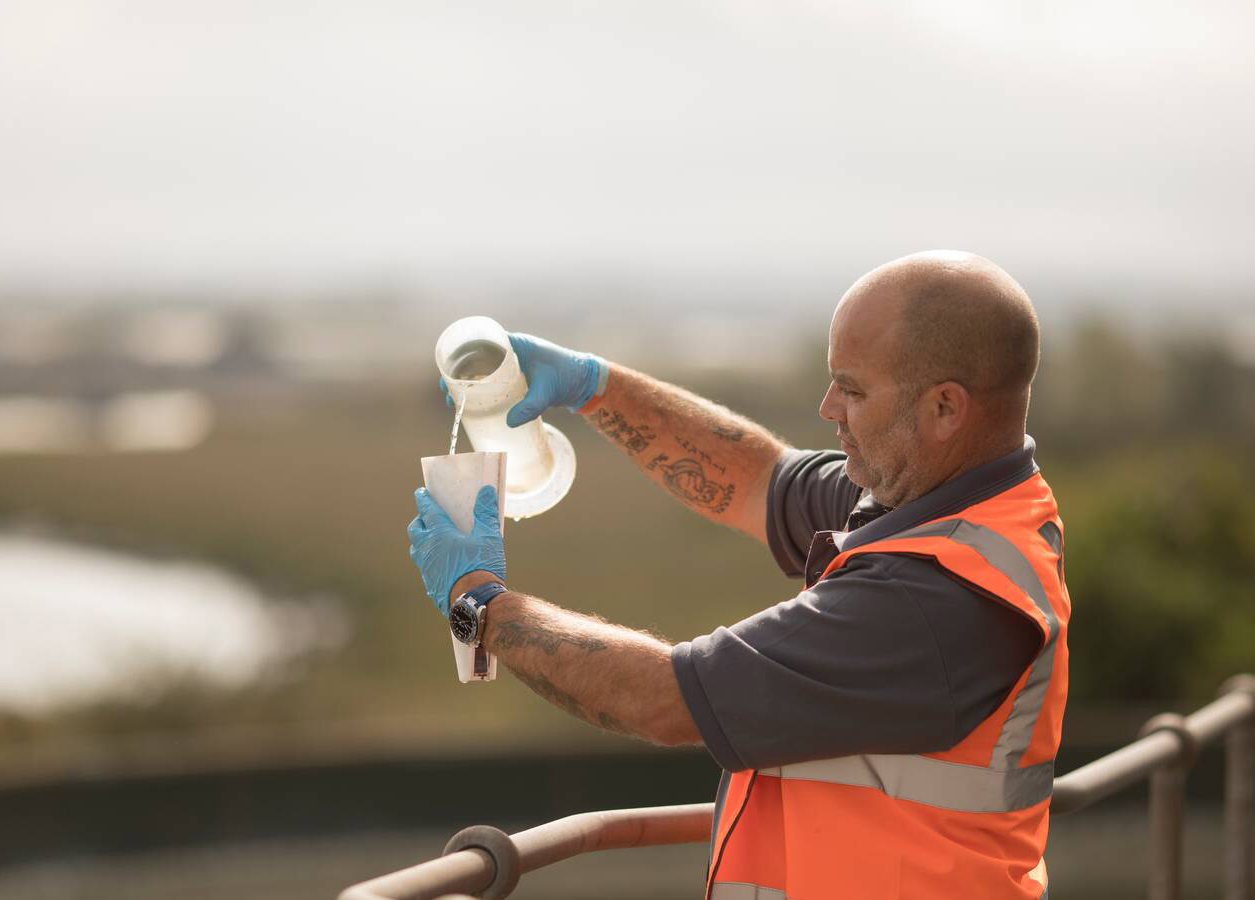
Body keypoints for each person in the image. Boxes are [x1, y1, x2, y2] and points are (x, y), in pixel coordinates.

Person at [406, 250, 1070, 899]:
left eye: (853, 389)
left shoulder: (934, 599)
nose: (828, 407)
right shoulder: (954, 501)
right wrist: (594, 385)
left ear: (945, 409)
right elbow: (758, 481)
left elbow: (663, 700)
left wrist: (478, 604)